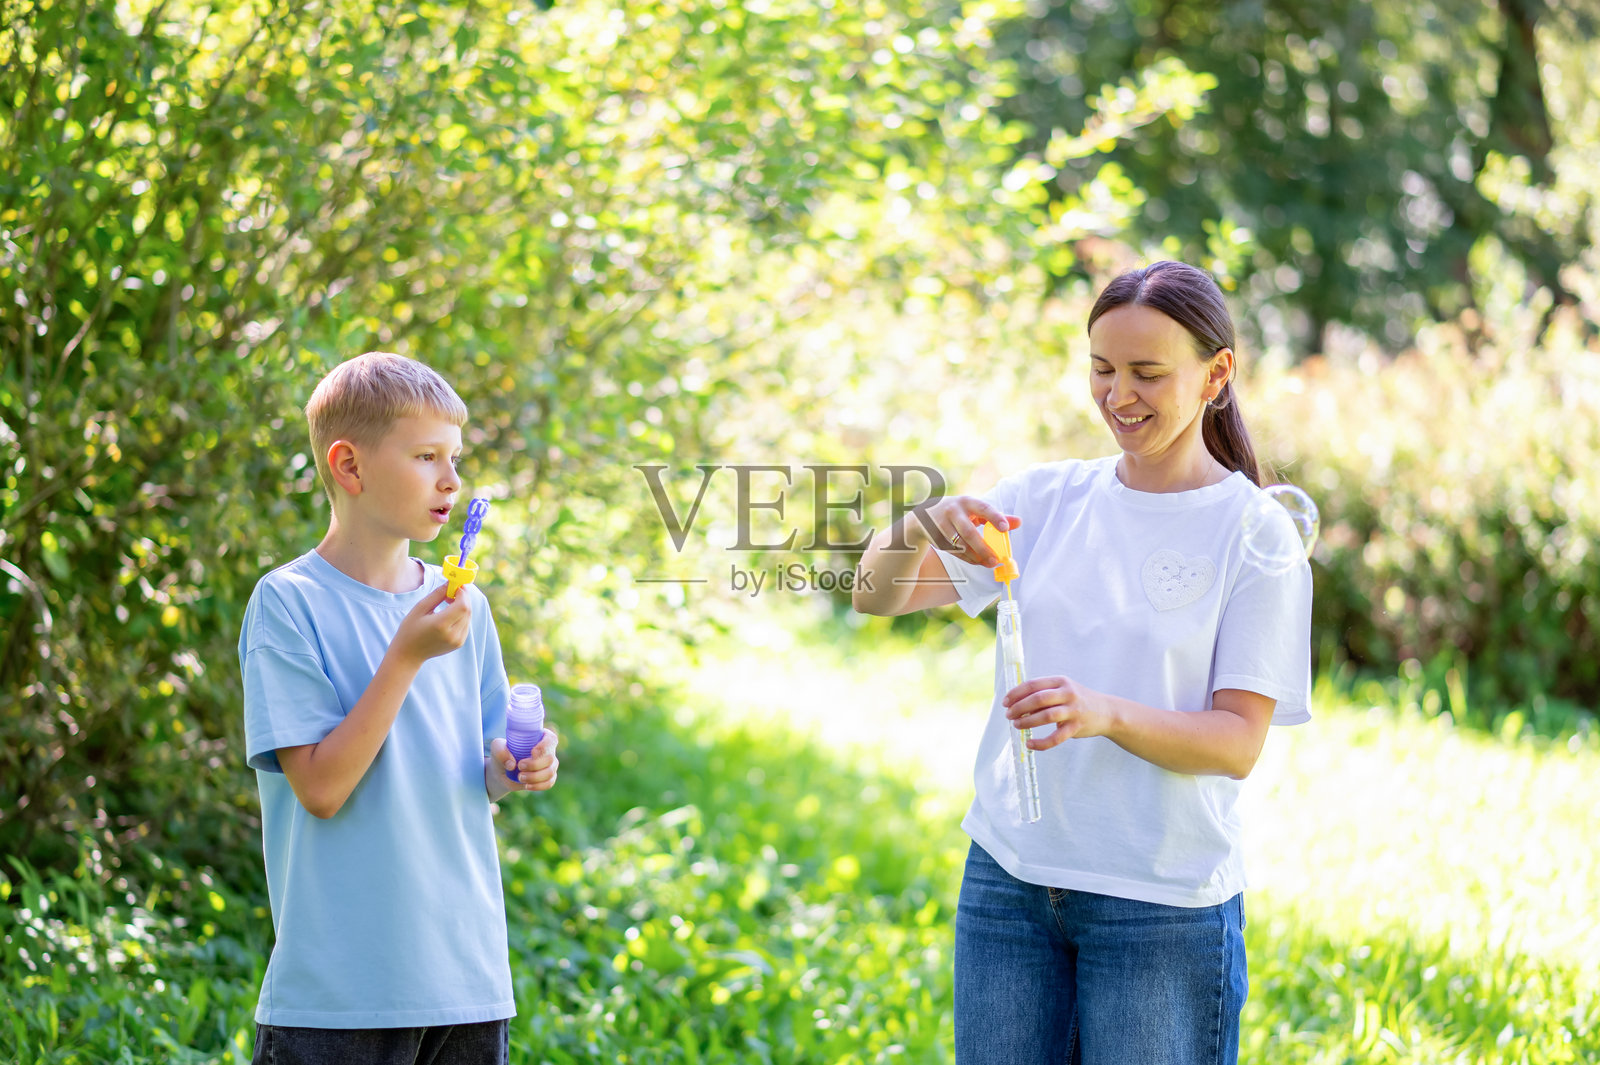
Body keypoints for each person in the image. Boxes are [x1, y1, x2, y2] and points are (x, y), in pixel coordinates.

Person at [853, 261, 1311, 1065]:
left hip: (1159, 905)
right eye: (1101, 369)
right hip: (1010, 884)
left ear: (1217, 373)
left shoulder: (1253, 535)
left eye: (1147, 373)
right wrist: (923, 520)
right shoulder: (1045, 501)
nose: (1117, 395)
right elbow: (874, 593)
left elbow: (1236, 742)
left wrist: (1104, 713)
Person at [238, 352, 559, 1065]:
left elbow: (483, 768)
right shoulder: (289, 604)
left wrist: (519, 762)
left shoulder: (461, 606)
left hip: (465, 980)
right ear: (348, 466)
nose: (451, 480)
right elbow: (321, 788)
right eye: (425, 456)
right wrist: (405, 656)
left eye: (455, 458)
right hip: (340, 997)